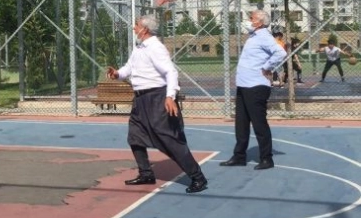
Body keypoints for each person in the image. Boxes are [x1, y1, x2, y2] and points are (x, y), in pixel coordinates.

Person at [106, 14, 208, 194]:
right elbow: (129, 68)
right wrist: (117, 74)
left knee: (169, 140)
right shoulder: (139, 47)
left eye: (136, 25)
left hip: (156, 98)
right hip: (140, 100)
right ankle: (146, 173)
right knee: (135, 137)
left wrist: (170, 97)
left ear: (145, 29)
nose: (134, 28)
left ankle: (198, 177)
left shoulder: (155, 47)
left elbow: (171, 72)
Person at [220, 10, 286, 170]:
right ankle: (239, 156)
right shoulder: (253, 37)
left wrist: (267, 67)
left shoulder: (264, 36)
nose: (249, 20)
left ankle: (266, 159)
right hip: (244, 85)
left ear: (260, 23)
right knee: (241, 124)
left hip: (256, 87)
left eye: (252, 18)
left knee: (259, 124)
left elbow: (281, 52)